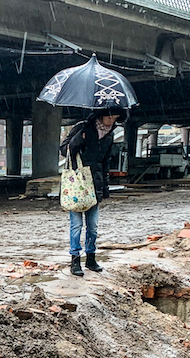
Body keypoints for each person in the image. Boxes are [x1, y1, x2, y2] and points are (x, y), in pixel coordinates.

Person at [65, 107, 126, 276]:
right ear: (100, 115)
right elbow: (65, 150)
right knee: (76, 225)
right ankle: (75, 260)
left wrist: (105, 188)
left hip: (96, 185)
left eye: (115, 118)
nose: (111, 121)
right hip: (77, 184)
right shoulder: (82, 128)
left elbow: (105, 162)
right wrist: (78, 140)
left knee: (93, 227)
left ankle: (91, 258)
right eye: (109, 117)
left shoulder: (110, 135)